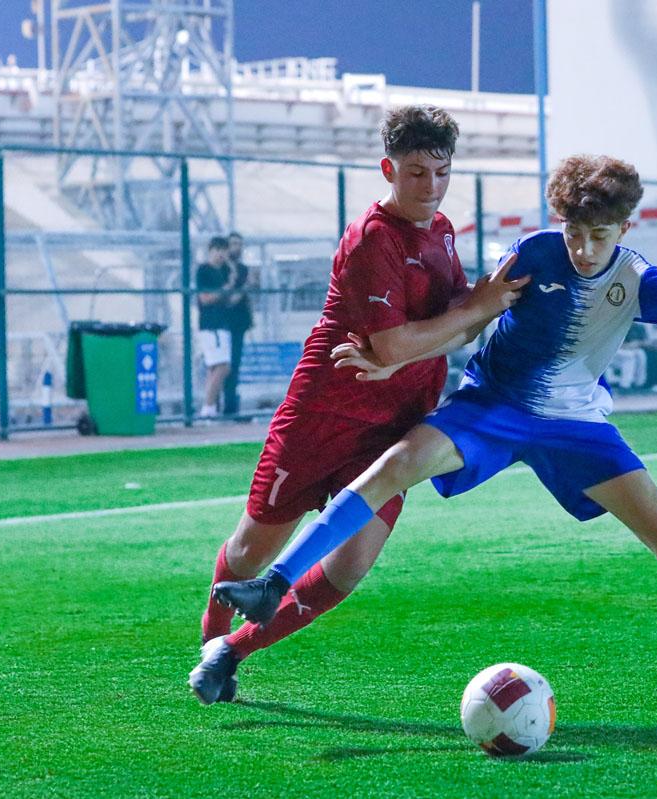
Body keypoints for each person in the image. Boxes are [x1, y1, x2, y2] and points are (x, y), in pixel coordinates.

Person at [210, 154, 657, 710]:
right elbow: (471, 322)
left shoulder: (636, 277)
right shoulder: (533, 254)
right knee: (392, 467)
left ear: (624, 229)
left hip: (576, 424)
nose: (583, 249)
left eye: (598, 237)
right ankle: (274, 583)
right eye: (574, 233)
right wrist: (393, 362)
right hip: (492, 406)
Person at [187, 105, 528, 704]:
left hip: (393, 427)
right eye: (417, 173)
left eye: (442, 172)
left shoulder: (443, 231)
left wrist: (468, 315)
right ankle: (209, 640)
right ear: (388, 169)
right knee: (249, 551)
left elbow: (459, 330)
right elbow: (399, 340)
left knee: (347, 569)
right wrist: (472, 311)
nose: (431, 187)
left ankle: (229, 654)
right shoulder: (373, 237)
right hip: (323, 416)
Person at [195, 236, 233, 417]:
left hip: (223, 323)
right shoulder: (203, 270)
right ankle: (208, 407)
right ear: (210, 251)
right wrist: (223, 291)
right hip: (211, 325)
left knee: (215, 367)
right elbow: (205, 298)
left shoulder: (225, 271)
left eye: (223, 250)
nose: (220, 254)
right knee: (222, 366)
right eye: (217, 250)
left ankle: (210, 408)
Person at [223, 231, 253, 418]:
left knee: (234, 363)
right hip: (223, 323)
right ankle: (223, 404)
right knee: (223, 365)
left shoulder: (242, 269)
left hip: (239, 324)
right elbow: (229, 299)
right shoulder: (222, 269)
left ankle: (231, 404)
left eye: (239, 244)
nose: (237, 248)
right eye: (234, 244)